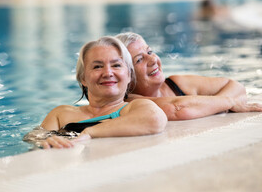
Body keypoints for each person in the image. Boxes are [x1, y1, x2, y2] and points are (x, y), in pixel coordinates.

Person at [37, 36, 167, 149]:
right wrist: (46, 141)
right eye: (97, 67)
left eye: (116, 65)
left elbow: (155, 119)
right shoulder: (61, 114)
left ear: (128, 75)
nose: (108, 73)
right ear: (83, 78)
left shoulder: (133, 108)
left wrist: (91, 132)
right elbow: (34, 140)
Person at [115, 32, 262, 120]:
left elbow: (236, 86)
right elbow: (180, 109)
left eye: (150, 52)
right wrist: (228, 103)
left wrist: (218, 103)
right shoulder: (131, 102)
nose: (153, 60)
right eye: (139, 60)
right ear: (127, 75)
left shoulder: (175, 83)